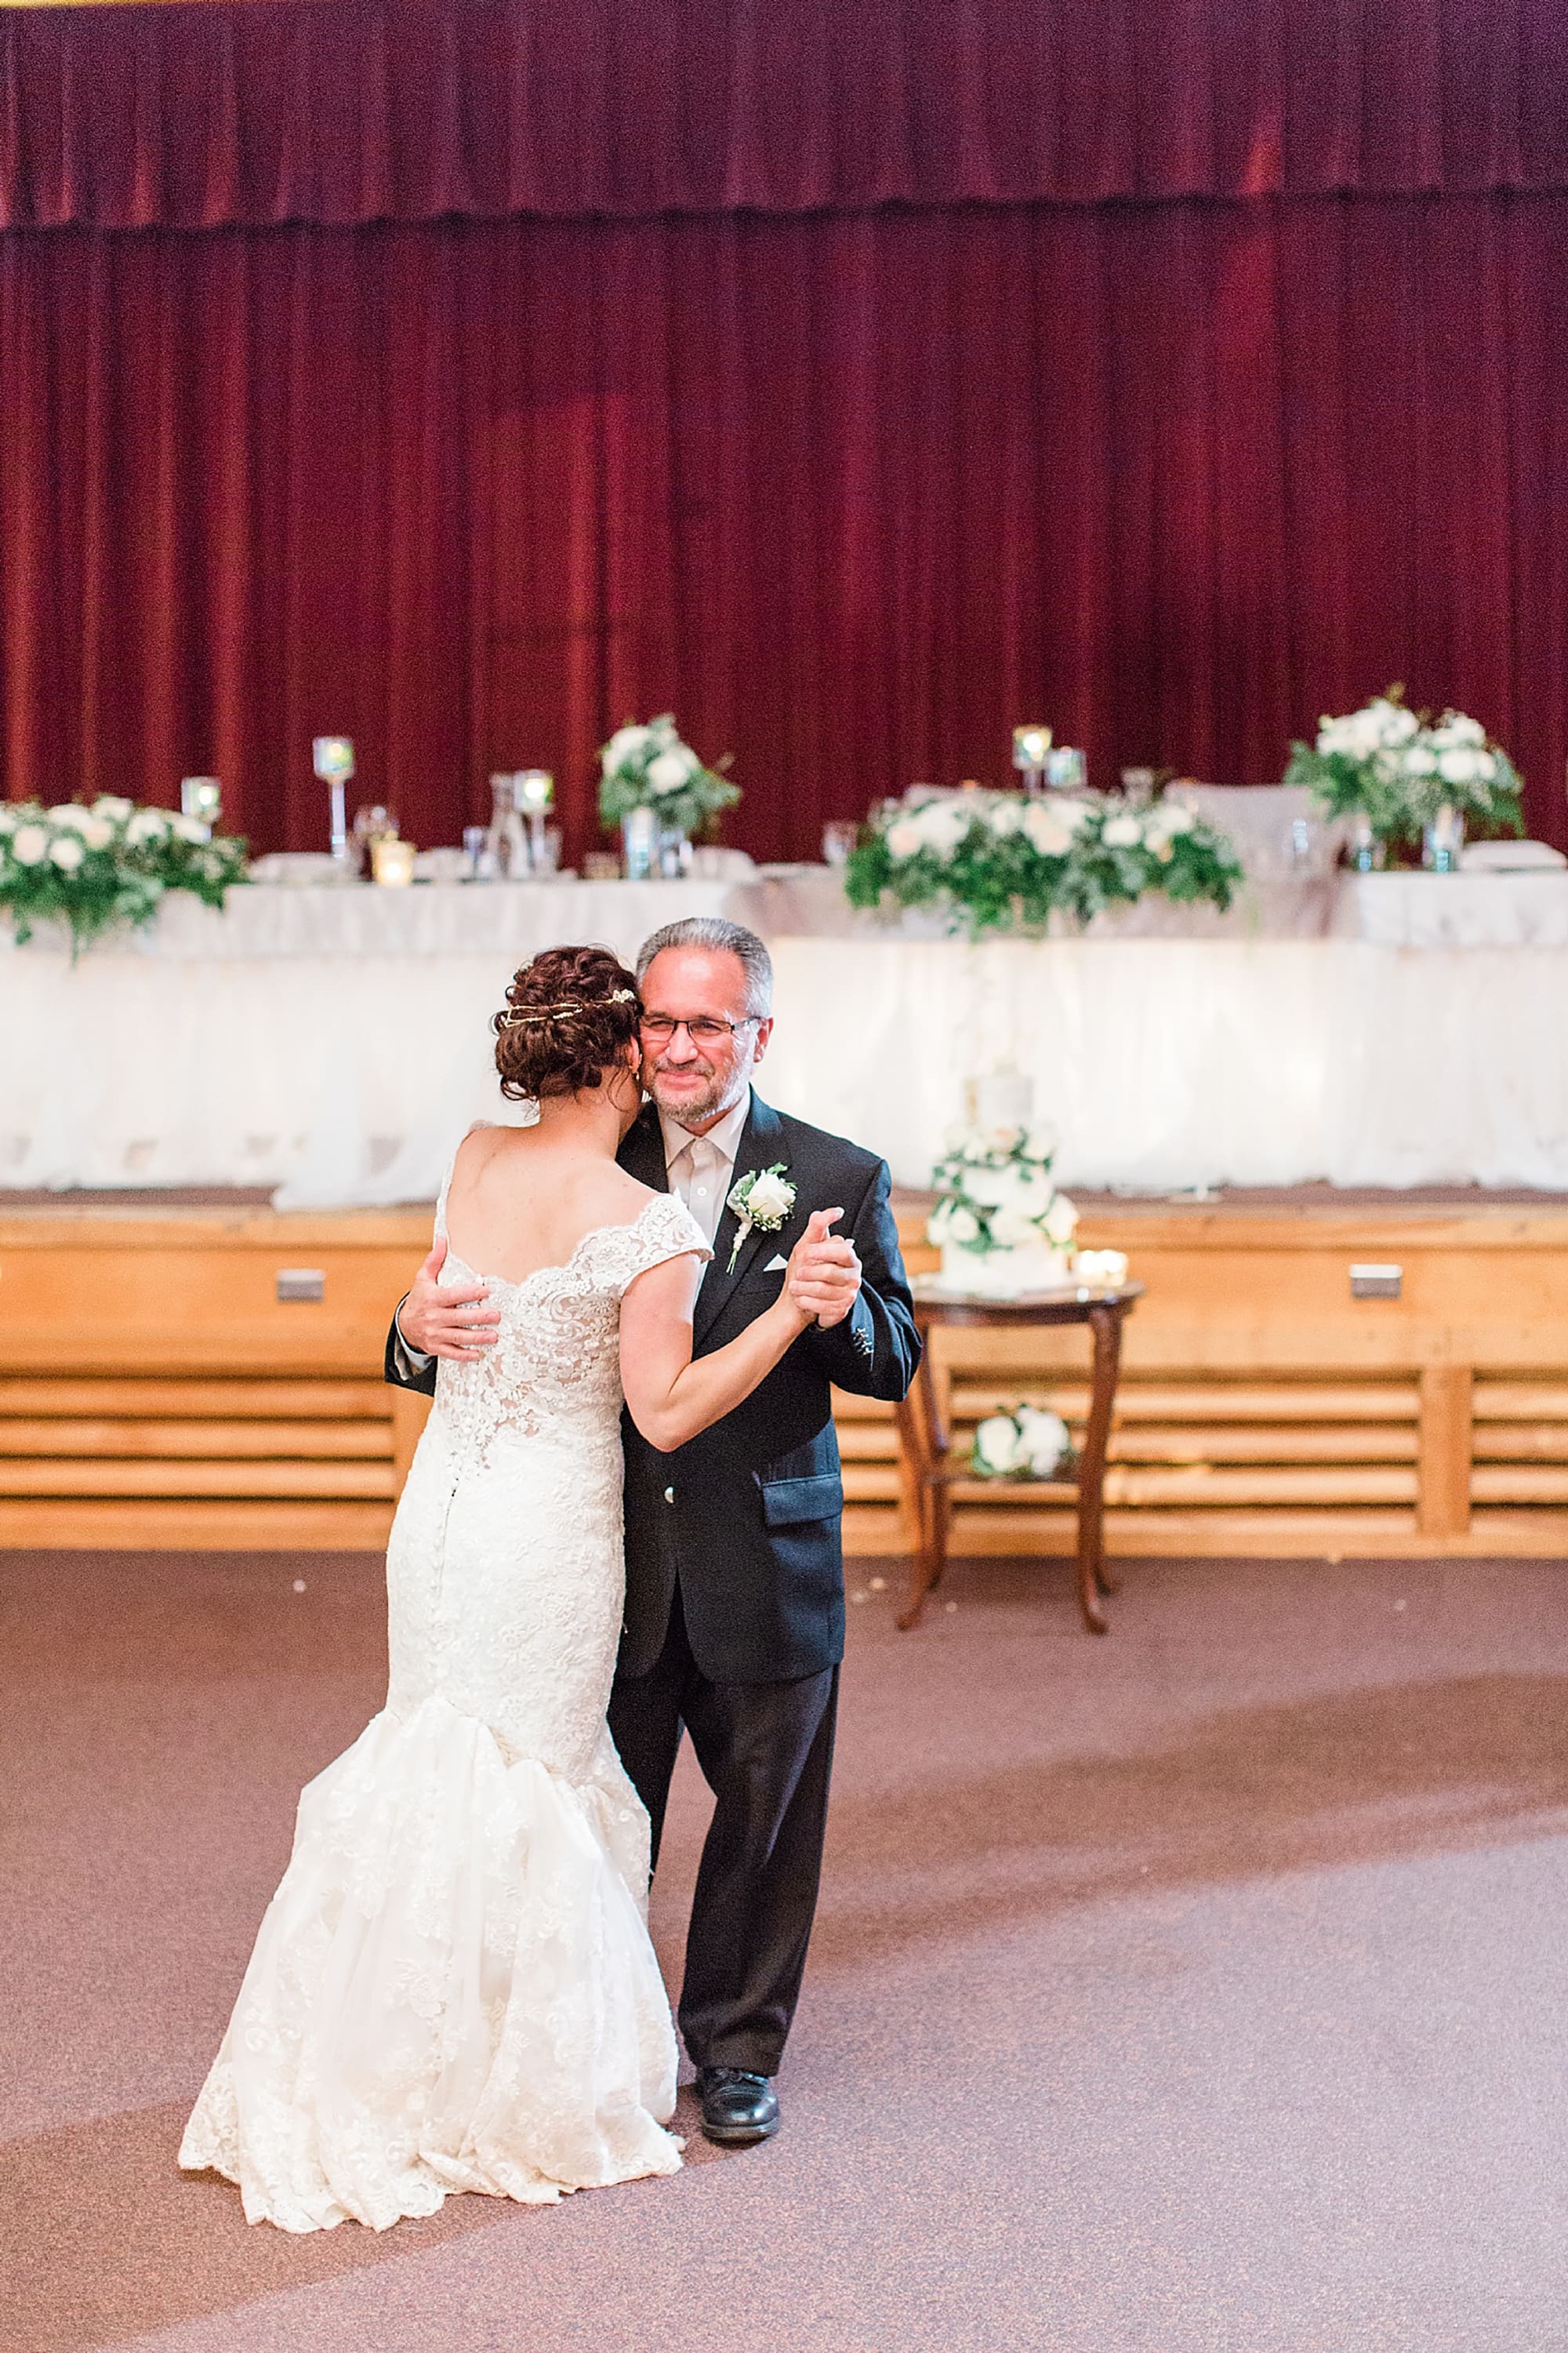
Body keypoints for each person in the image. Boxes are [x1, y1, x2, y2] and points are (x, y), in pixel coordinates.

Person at [180, 945, 855, 2232]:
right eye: (651, 1030)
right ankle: (505, 2075)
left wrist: (420, 1318)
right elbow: (654, 1409)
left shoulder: (473, 1157)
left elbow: (460, 1291)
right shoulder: (640, 1216)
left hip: (441, 1516)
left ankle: (390, 2053)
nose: (671, 1054)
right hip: (547, 1532)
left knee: (437, 1757)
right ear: (616, 1051)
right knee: (529, 1775)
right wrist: (778, 1317)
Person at [389, 917, 920, 2148]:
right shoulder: (580, 1146)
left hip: (766, 1551)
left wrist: (835, 1315)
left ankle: (737, 2049)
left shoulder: (838, 1173)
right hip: (598, 1559)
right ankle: (592, 2035)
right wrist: (414, 1323)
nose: (678, 1048)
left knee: (763, 1824)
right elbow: (447, 1337)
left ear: (759, 1034)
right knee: (592, 1817)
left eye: (708, 1025)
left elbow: (897, 1362)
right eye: (661, 1021)